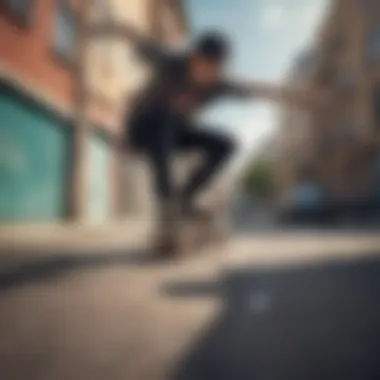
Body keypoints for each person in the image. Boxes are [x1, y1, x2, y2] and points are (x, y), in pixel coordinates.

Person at [92, 24, 321, 225]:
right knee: (166, 117)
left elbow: (256, 89)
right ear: (193, 58)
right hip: (141, 130)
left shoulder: (219, 84)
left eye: (216, 69)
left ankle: (186, 198)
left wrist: (298, 97)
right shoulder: (170, 62)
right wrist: (106, 29)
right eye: (205, 67)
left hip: (175, 135)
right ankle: (167, 202)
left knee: (226, 143)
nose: (209, 75)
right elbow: (136, 39)